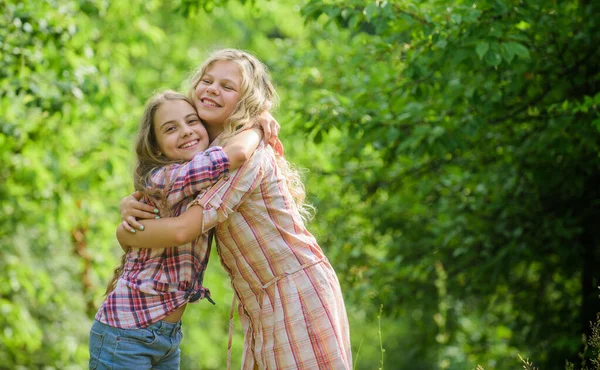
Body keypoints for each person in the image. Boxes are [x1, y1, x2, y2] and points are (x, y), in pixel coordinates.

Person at [118, 49, 352, 370]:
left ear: (246, 101)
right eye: (207, 80)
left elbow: (183, 228)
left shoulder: (242, 154)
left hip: (296, 290)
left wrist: (126, 232)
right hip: (259, 299)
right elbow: (166, 194)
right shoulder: (205, 154)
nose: (213, 89)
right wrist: (132, 203)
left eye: (227, 87)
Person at [89, 89, 273, 370]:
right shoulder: (165, 178)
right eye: (171, 128)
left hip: (166, 336)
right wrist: (259, 125)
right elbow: (235, 153)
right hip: (126, 333)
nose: (186, 132)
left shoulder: (200, 180)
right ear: (158, 147)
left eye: (192, 121)